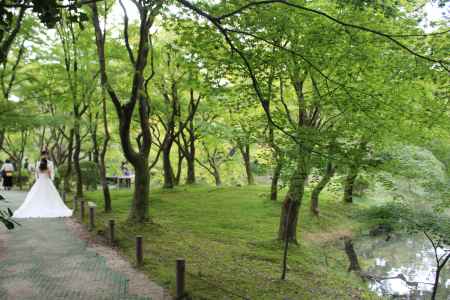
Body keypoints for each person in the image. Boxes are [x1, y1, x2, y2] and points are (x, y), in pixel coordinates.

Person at [13, 150, 72, 218]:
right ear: (41, 155)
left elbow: (52, 173)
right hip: (40, 181)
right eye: (43, 154)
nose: (45, 156)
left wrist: (49, 176)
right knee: (36, 194)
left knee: (49, 194)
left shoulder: (50, 163)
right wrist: (38, 177)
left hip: (47, 181)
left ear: (48, 155)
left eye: (46, 154)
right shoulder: (38, 163)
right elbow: (36, 173)